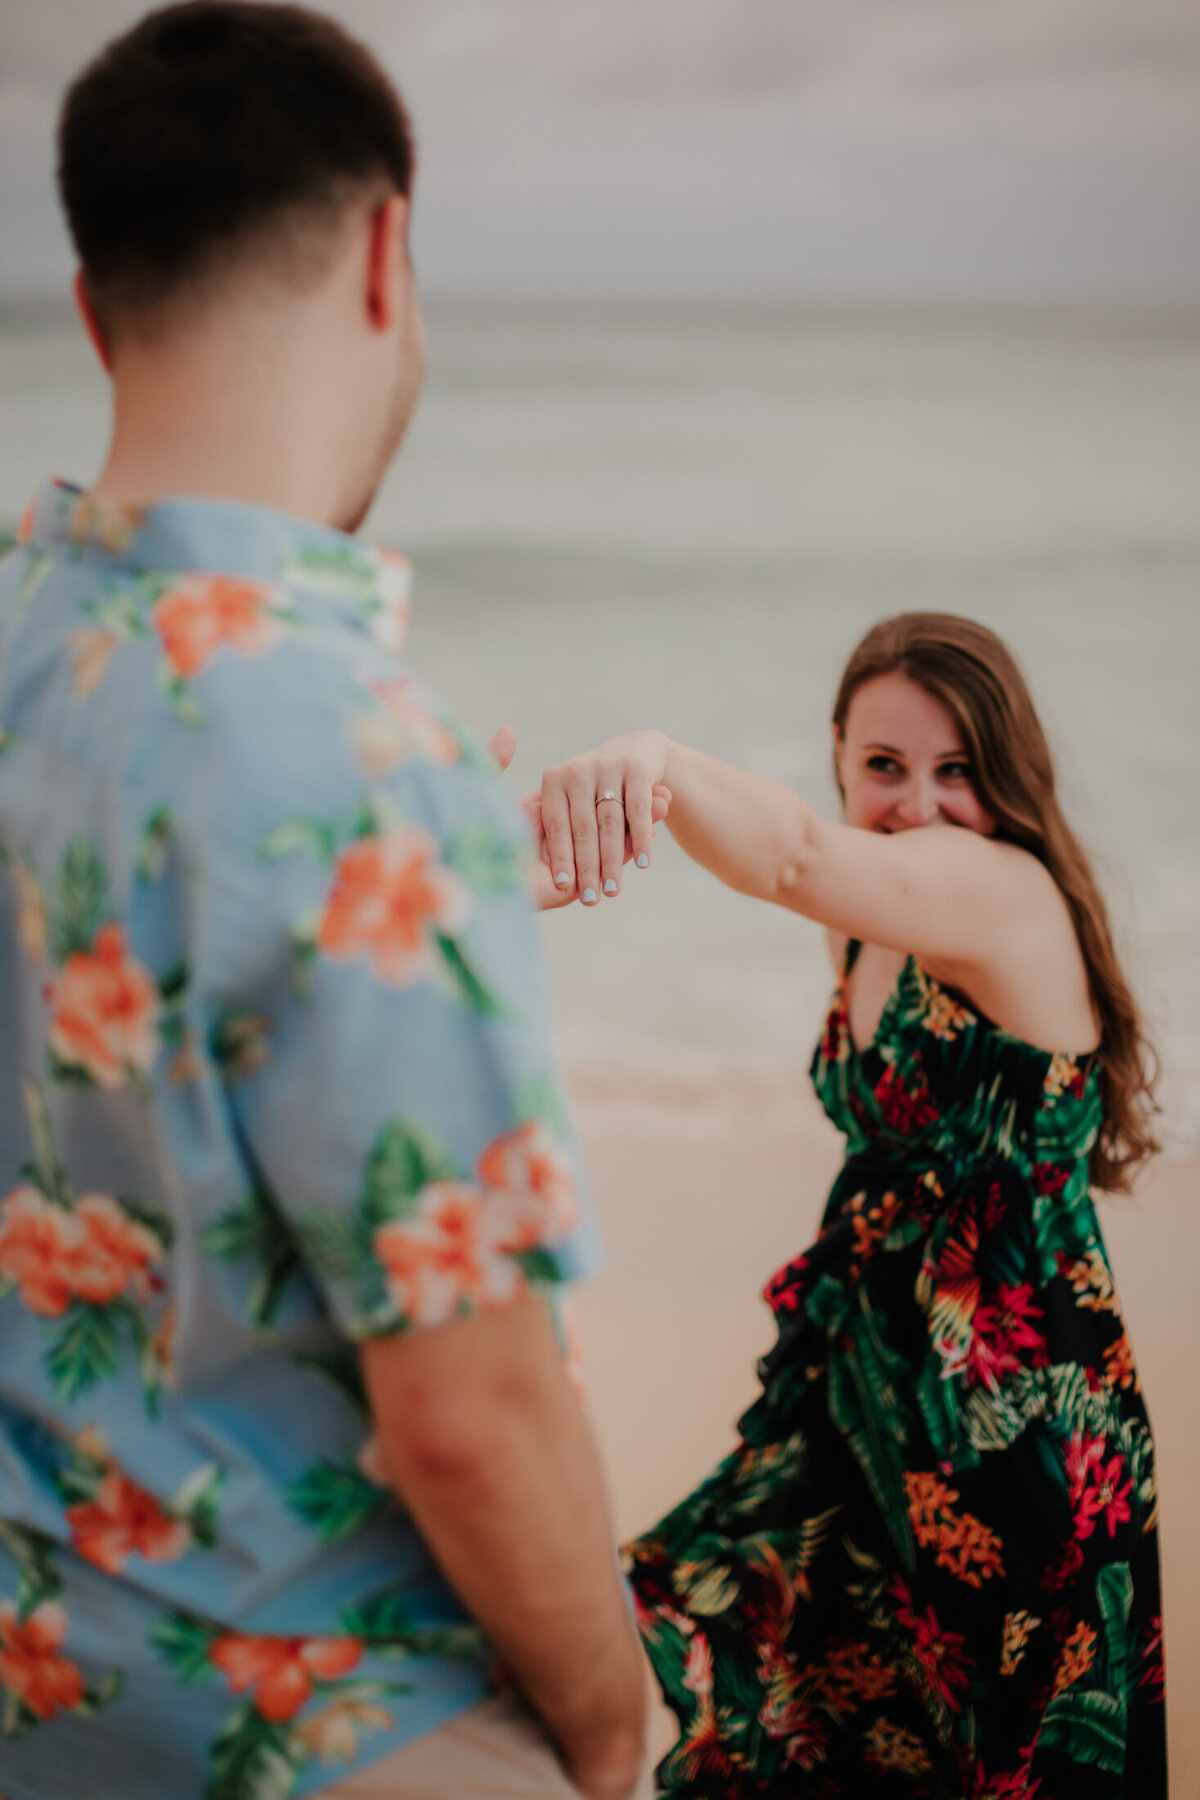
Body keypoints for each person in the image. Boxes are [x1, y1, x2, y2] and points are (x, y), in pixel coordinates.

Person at [0, 6, 657, 1797]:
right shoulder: (363, 758)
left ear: (89, 302)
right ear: (387, 256)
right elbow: (468, 1422)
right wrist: (610, 1733)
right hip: (296, 1716)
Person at [536, 612, 1166, 1799]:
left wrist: (653, 763)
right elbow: (809, 867)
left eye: (957, 772)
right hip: (869, 1414)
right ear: (836, 755)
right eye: (885, 768)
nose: (919, 806)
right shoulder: (867, 918)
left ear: (1011, 776)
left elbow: (787, 858)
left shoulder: (1003, 891)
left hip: (1016, 1440)